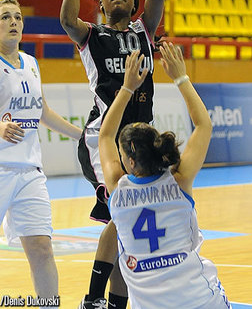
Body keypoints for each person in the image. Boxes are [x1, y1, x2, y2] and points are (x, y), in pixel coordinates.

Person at [59, 0, 164, 309]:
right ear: (101, 3)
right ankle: (92, 299)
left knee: (130, 225)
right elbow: (67, 18)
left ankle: (117, 303)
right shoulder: (93, 36)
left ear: (133, 3)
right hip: (103, 139)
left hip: (142, 140)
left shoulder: (143, 30)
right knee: (122, 213)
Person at [0, 0, 82, 307]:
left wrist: (86, 137)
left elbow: (43, 113)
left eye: (18, 17)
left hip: (29, 172)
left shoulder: (32, 64)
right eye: (6, 17)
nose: (14, 22)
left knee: (41, 247)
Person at [98, 44, 232, 309]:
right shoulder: (179, 180)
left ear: (129, 161)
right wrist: (180, 77)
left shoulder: (118, 188)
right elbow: (204, 124)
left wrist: (127, 88)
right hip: (200, 300)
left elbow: (104, 135)